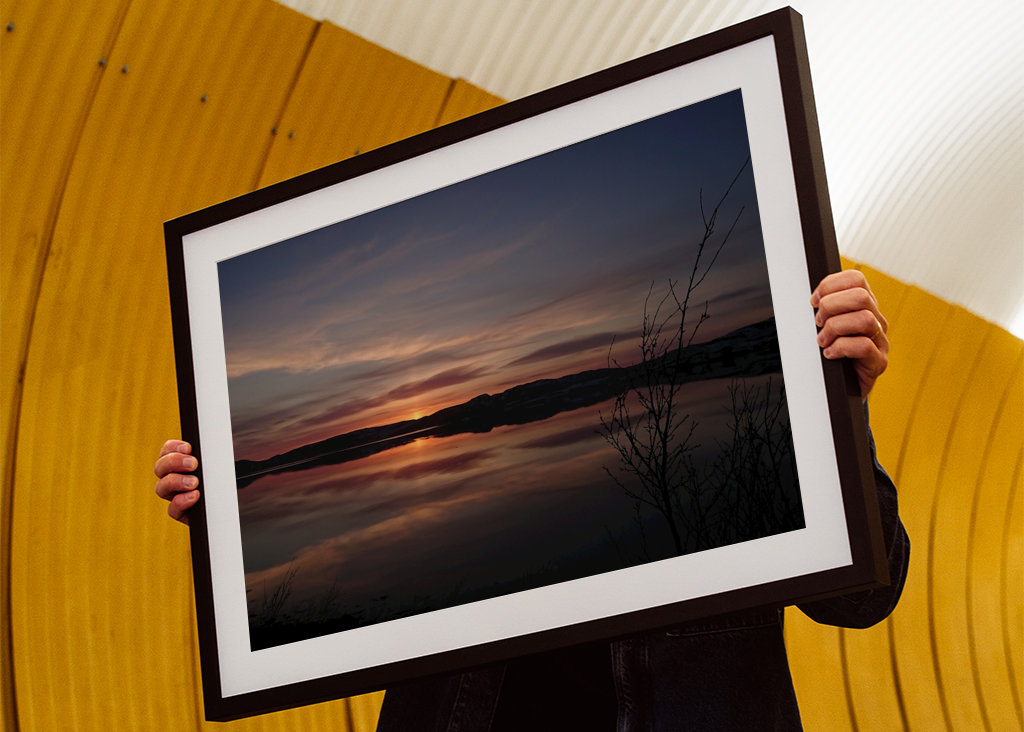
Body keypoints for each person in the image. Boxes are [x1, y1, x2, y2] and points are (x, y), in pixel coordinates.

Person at [155, 269, 909, 731]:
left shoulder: (767, 416)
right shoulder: (450, 522)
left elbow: (864, 597)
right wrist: (231, 512)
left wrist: (840, 402)